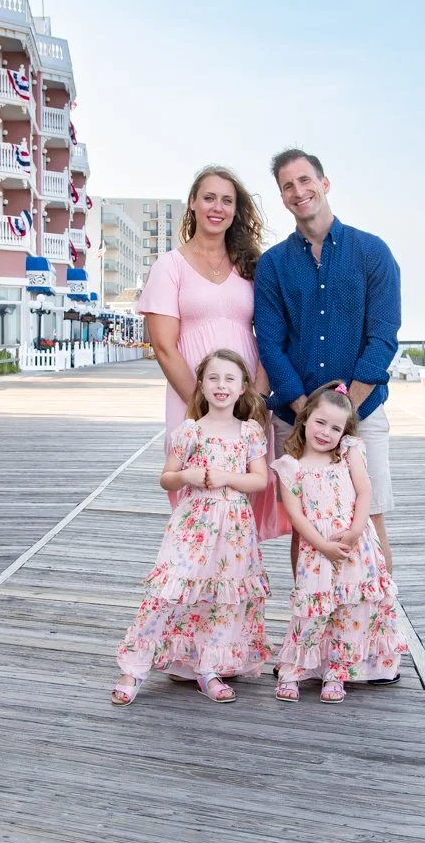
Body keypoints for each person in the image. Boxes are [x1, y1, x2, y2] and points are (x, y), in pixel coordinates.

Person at [254, 148, 401, 573]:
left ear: (324, 183)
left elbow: (383, 337)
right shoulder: (273, 265)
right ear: (282, 198)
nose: (298, 191)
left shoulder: (372, 252)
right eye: (287, 186)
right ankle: (310, 613)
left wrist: (344, 412)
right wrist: (307, 414)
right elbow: (271, 344)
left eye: (305, 180)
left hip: (363, 413)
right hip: (295, 417)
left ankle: (380, 613)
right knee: (304, 525)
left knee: (371, 519)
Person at [112, 349, 274, 706]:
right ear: (201, 384)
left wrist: (227, 477)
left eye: (230, 379)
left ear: (243, 387)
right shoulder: (190, 431)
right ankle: (134, 669)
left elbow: (260, 480)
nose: (221, 385)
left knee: (221, 597)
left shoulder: (249, 431)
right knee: (169, 590)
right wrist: (187, 475)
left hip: (234, 528)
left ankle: (208, 668)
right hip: (193, 525)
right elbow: (167, 478)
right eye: (213, 378)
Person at [137, 164, 285, 539]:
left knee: (243, 493)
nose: (217, 207)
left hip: (247, 399)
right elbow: (164, 347)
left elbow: (270, 337)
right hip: (192, 400)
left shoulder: (253, 267)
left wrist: (258, 400)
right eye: (209, 198)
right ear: (192, 203)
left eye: (227, 200)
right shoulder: (169, 267)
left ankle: (235, 571)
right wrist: (203, 408)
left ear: (236, 210)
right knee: (196, 496)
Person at [271, 382, 407, 703]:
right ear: (305, 418)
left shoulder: (348, 453)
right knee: (312, 612)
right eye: (320, 422)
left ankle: (337, 672)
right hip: (317, 551)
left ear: (344, 432)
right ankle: (294, 670)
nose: (326, 432)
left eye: (336, 428)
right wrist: (323, 546)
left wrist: (356, 531)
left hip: (354, 547)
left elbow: (365, 492)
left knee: (350, 611)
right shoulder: (291, 466)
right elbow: (296, 516)